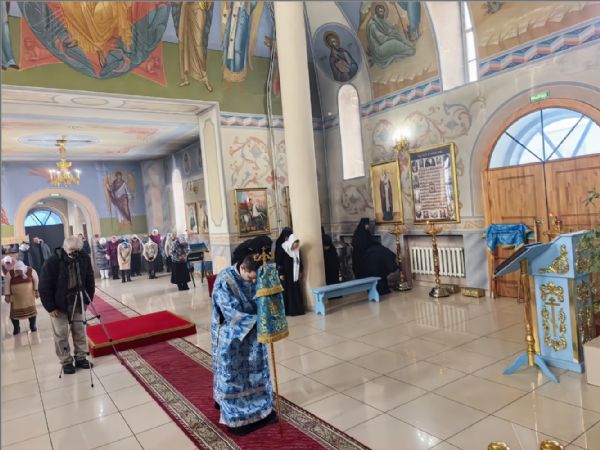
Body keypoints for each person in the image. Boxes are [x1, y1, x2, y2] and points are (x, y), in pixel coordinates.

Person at [211, 252, 277, 435]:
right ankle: (236, 416)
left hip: (254, 334)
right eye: (251, 277)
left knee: (257, 372)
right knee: (234, 376)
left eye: (256, 278)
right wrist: (258, 320)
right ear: (242, 268)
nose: (253, 282)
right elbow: (229, 312)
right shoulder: (224, 281)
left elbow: (264, 299)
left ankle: (261, 410)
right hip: (232, 335)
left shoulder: (257, 277)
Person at [38, 236, 95, 374]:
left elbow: (89, 279)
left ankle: (81, 357)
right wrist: (50, 307)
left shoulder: (84, 258)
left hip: (77, 300)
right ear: (64, 248)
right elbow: (44, 286)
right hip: (58, 303)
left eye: (77, 251)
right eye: (71, 251)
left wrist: (87, 300)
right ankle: (66, 361)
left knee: (79, 330)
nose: (74, 254)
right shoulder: (52, 261)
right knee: (61, 333)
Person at [367, 3, 415, 68]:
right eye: (380, 11)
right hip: (379, 49)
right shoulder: (372, 25)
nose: (382, 13)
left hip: (385, 42)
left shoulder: (382, 20)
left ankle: (407, 46)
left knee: (397, 35)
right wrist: (391, 36)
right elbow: (381, 39)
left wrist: (393, 33)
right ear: (376, 12)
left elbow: (390, 29)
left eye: (383, 11)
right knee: (394, 43)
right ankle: (408, 50)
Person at [4, 261, 38, 335]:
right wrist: (7, 295)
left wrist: (36, 290)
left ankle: (32, 326)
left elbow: (36, 280)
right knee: (14, 315)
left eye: (19, 271)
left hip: (29, 298)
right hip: (16, 299)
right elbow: (7, 284)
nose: (18, 273)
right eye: (16, 271)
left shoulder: (31, 271)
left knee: (32, 313)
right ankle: (16, 328)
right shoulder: (10, 274)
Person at [277, 234, 305, 316]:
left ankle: (297, 310)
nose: (294, 248)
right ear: (291, 243)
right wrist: (281, 273)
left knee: (295, 291)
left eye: (296, 246)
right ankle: (288, 311)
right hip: (286, 274)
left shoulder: (297, 250)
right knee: (287, 292)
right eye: (293, 246)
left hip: (294, 274)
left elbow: (300, 261)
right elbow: (279, 262)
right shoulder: (283, 248)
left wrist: (300, 271)